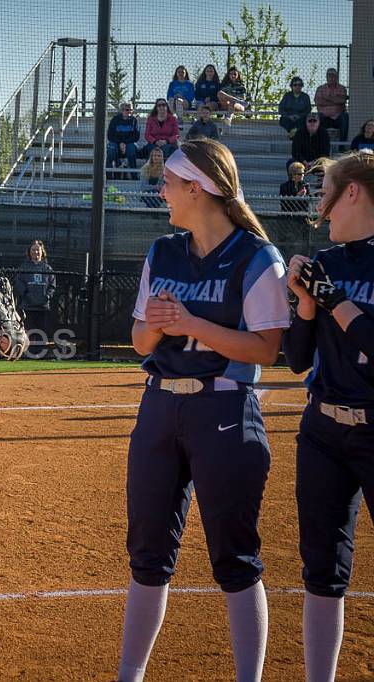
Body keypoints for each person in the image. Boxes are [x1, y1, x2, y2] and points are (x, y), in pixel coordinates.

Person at [117, 139, 290, 682]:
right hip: (160, 409)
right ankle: (130, 675)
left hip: (225, 411)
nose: (161, 191)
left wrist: (192, 324)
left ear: (198, 188)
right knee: (147, 554)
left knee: (235, 560)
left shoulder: (257, 256)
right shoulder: (162, 252)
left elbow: (265, 349)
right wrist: (159, 324)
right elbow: (141, 341)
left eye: (169, 183)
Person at [282, 150, 374, 682]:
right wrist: (306, 305)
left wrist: (332, 298)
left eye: (328, 191)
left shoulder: (334, 276)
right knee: (323, 570)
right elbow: (297, 361)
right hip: (322, 431)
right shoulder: (327, 263)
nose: (321, 203)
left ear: (354, 193)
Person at [14, 240, 55, 351]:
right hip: (28, 306)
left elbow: (52, 285)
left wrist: (46, 297)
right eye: (33, 250)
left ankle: (41, 352)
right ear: (29, 252)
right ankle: (29, 351)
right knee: (29, 330)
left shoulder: (47, 268)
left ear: (42, 252)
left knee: (42, 331)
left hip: (43, 307)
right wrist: (27, 295)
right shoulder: (24, 267)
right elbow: (19, 283)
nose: (36, 252)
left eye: (38, 250)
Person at [314, 67, 349, 142]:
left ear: (337, 77)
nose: (331, 78)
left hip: (338, 118)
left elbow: (342, 100)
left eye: (333, 76)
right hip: (324, 117)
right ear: (326, 77)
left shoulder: (342, 88)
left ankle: (342, 145)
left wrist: (327, 98)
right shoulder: (321, 88)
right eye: (329, 76)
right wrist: (335, 100)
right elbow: (318, 101)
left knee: (345, 117)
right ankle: (318, 144)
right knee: (317, 117)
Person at [106, 102, 140, 171]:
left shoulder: (134, 120)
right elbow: (110, 136)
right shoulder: (115, 120)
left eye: (130, 110)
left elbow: (136, 137)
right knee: (111, 149)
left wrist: (124, 143)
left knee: (131, 148)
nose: (129, 112)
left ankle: (134, 175)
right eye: (127, 110)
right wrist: (120, 143)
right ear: (122, 110)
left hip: (129, 143)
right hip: (116, 143)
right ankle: (108, 176)